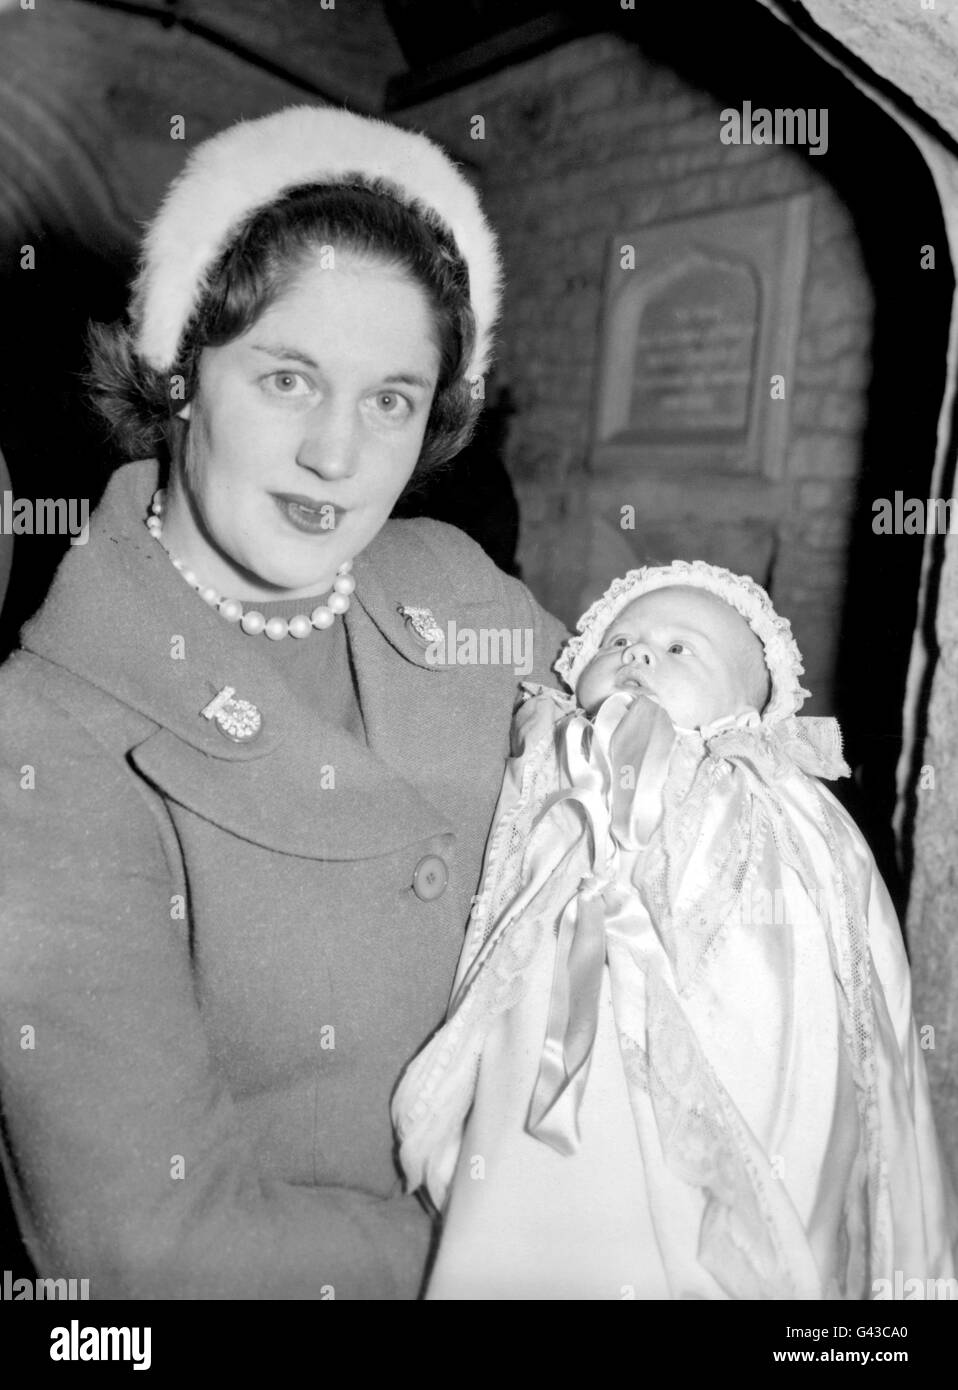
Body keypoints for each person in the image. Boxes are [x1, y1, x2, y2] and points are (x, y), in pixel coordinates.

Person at [0, 105, 567, 1300]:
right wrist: (564, 1247)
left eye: (390, 399)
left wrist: (722, 650)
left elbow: (661, 759)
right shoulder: (46, 740)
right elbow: (152, 1251)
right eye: (288, 377)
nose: (335, 455)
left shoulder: (454, 585)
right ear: (179, 373)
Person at [393, 560, 957, 1300]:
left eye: (681, 649)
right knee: (523, 1191)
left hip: (691, 1031)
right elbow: (501, 879)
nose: (638, 655)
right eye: (619, 640)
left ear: (750, 708)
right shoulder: (556, 748)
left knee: (665, 1197)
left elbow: (815, 948)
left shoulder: (762, 793)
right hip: (544, 1020)